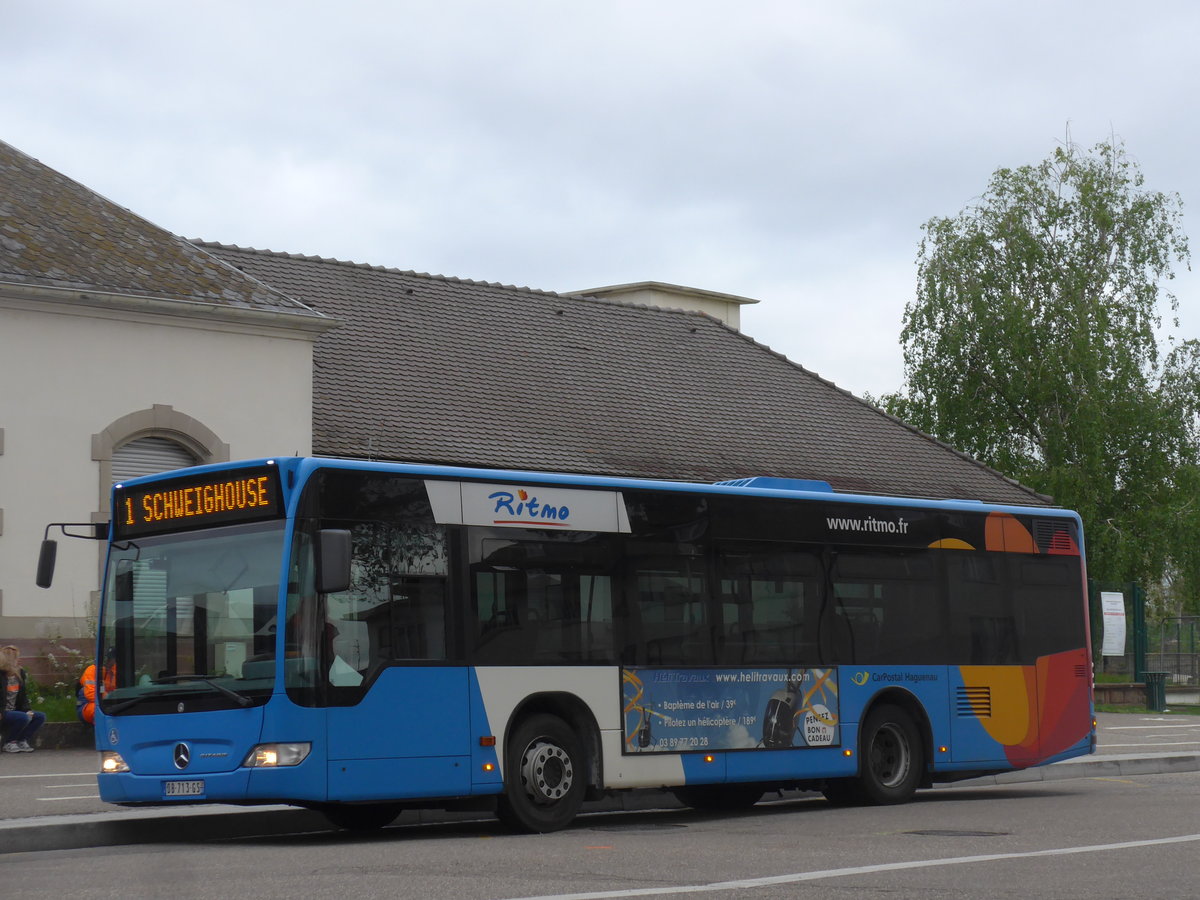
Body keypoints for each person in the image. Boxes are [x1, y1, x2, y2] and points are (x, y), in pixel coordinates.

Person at [1, 644, 46, 752]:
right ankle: (9, 742)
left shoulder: (19, 674)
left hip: (14, 710)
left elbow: (23, 696)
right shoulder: (1, 675)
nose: (19, 660)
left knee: (39, 716)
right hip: (3, 711)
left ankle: (22, 740)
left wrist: (27, 709)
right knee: (22, 717)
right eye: (17, 658)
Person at [76, 647, 117, 726]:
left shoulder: (114, 671)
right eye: (113, 658)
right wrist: (109, 697)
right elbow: (91, 694)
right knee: (100, 711)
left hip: (108, 703)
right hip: (86, 704)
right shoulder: (92, 670)